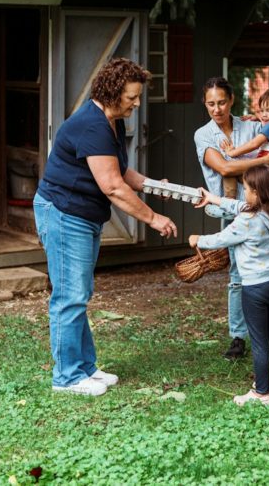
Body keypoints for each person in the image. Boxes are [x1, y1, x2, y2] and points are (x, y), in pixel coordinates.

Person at [34, 58, 178, 396]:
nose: (137, 103)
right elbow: (112, 186)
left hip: (82, 215)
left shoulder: (112, 123)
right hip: (63, 213)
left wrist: (155, 186)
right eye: (132, 97)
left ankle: (84, 368)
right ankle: (66, 377)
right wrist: (153, 218)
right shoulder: (93, 125)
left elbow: (122, 172)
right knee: (69, 295)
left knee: (78, 293)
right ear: (113, 93)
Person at [194, 77, 269, 361]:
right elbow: (225, 168)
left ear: (231, 101)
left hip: (268, 208)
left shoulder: (254, 126)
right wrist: (264, 162)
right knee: (238, 275)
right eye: (211, 103)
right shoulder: (203, 135)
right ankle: (238, 336)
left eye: (222, 102)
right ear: (205, 104)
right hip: (235, 211)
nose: (217, 109)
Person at [189, 164, 269, 406]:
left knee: (258, 340)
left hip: (254, 288)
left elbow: (222, 238)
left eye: (245, 189)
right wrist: (213, 199)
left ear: (256, 192)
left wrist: (198, 240)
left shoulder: (247, 222)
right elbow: (239, 207)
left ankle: (261, 393)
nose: (243, 193)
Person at [221, 86, 269, 161]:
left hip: (267, 164)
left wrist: (232, 152)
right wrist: (258, 120)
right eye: (262, 111)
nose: (264, 115)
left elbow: (254, 144)